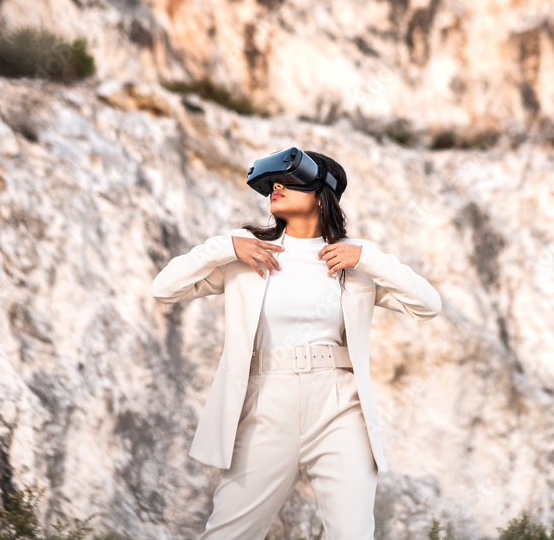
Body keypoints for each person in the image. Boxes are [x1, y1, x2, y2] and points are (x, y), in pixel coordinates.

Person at [151, 149, 442, 539]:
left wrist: (368, 257)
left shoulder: (351, 263)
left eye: (289, 181)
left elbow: (428, 305)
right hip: (265, 405)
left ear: (322, 194)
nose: (277, 187)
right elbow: (164, 288)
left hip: (340, 408)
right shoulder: (249, 253)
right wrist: (226, 246)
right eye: (273, 183)